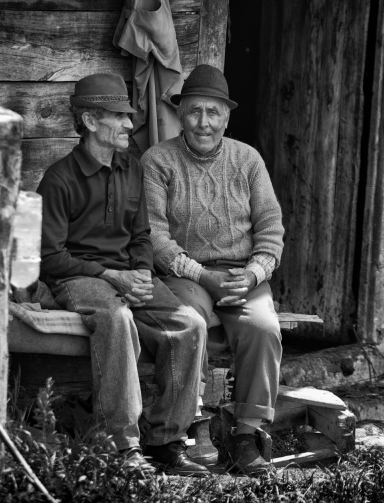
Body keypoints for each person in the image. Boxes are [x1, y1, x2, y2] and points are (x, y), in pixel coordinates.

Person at [36, 73, 210, 477]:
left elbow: (141, 236)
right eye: (118, 116)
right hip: (78, 277)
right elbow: (50, 258)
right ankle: (120, 446)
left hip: (129, 276)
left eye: (128, 116)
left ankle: (165, 440)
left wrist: (143, 273)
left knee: (191, 325)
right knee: (117, 319)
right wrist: (112, 276)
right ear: (90, 121)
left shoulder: (131, 168)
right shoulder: (59, 179)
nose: (129, 124)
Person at [141, 64, 285, 476]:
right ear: (180, 114)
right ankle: (194, 427)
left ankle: (246, 436)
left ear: (226, 117)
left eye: (213, 112)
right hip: (186, 273)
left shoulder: (248, 160)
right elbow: (154, 237)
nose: (203, 122)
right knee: (192, 324)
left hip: (242, 273)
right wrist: (204, 276)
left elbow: (271, 228)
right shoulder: (158, 161)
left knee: (263, 329)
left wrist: (253, 274)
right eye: (194, 111)